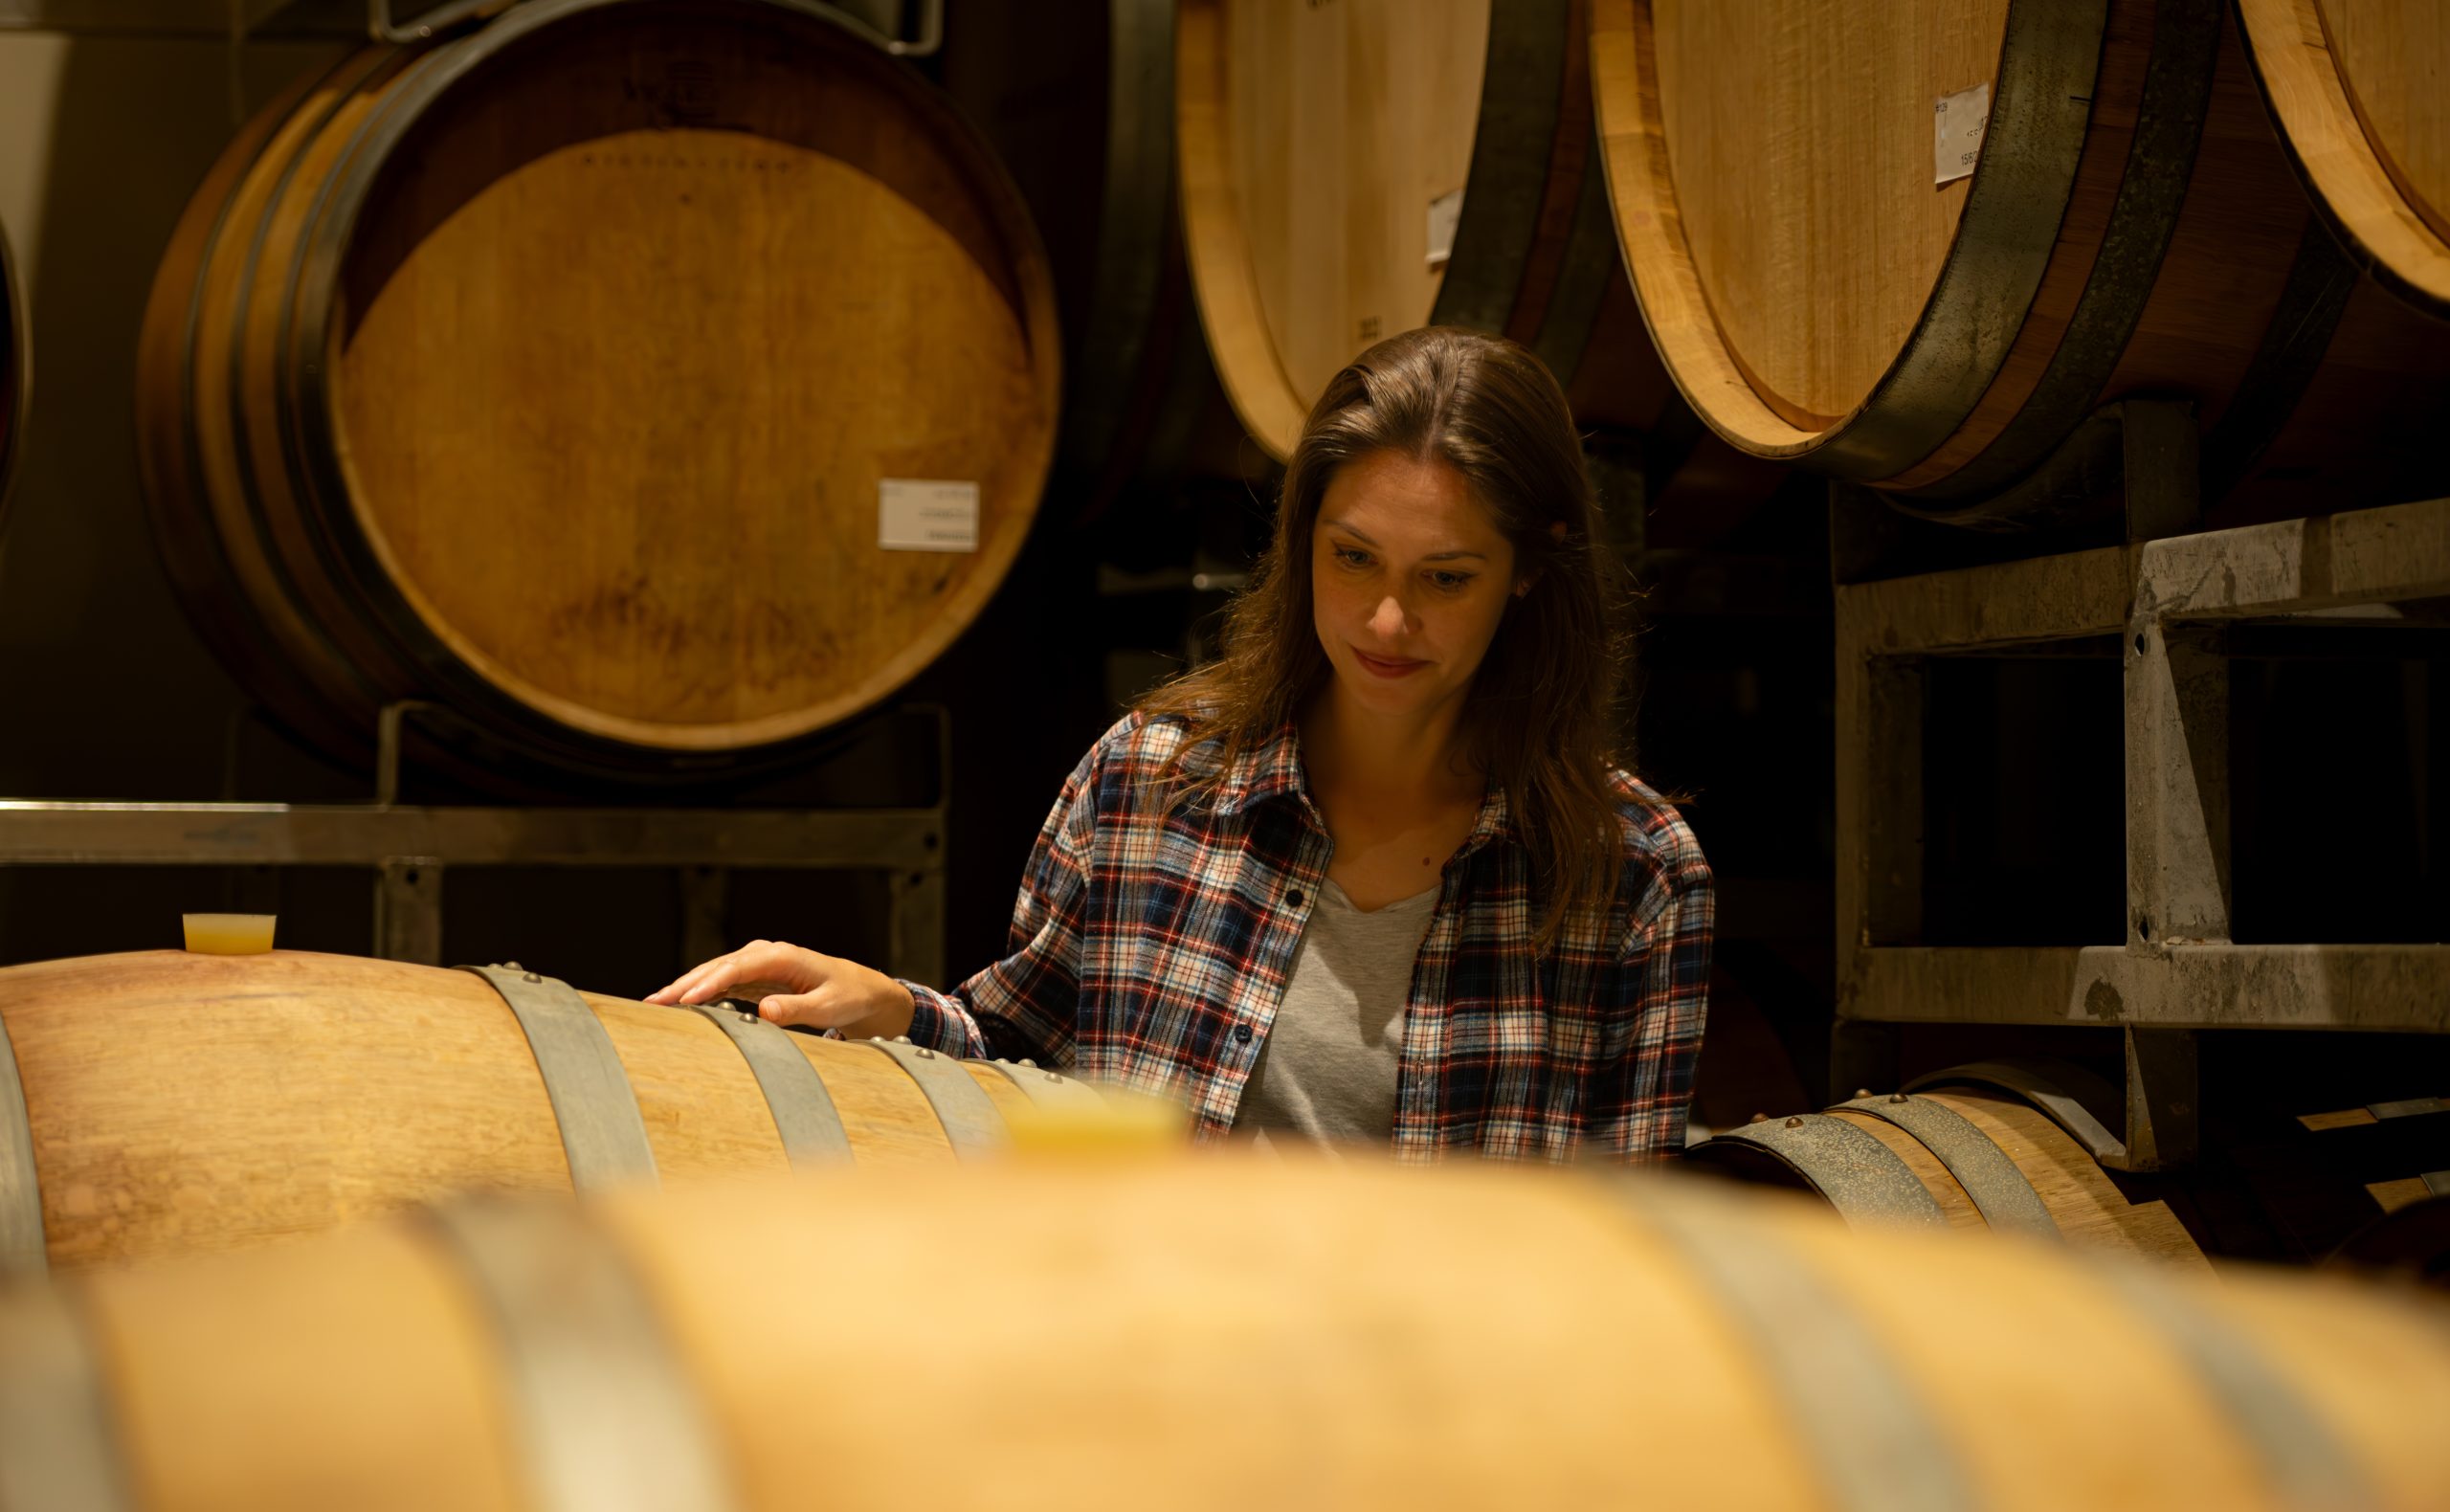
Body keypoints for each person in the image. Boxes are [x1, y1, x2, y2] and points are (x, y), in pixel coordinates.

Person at [650, 326, 1713, 1163]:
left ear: (1528, 572)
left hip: (1437, 1415)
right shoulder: (1152, 778)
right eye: (1352, 558)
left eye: (1444, 577)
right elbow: (1021, 1055)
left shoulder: (1630, 872)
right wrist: (896, 1011)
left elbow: (1625, 1251)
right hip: (1151, 1369)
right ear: (1301, 540)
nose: (1386, 620)